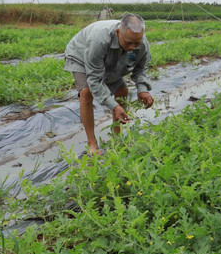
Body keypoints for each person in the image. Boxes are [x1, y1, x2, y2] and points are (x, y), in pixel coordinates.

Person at [63, 14, 154, 155]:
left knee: (122, 90)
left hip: (111, 57)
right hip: (81, 55)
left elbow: (140, 68)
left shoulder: (140, 44)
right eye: (129, 42)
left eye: (136, 43)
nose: (132, 47)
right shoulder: (100, 40)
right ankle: (92, 143)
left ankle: (117, 137)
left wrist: (142, 89)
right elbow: (94, 78)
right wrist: (113, 106)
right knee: (86, 93)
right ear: (118, 32)